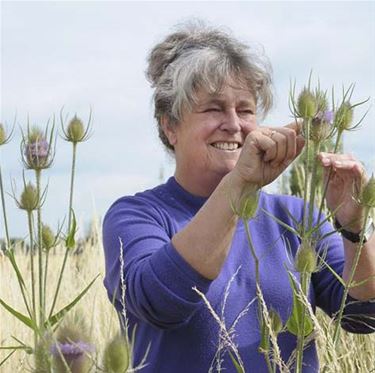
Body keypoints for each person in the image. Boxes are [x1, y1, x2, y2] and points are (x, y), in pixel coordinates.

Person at [103, 23, 375, 372]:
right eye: (213, 109)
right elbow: (162, 302)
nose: (233, 124)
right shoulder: (137, 216)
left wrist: (355, 227)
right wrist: (240, 184)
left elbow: (363, 315)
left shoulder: (296, 217)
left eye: (245, 110)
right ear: (170, 126)